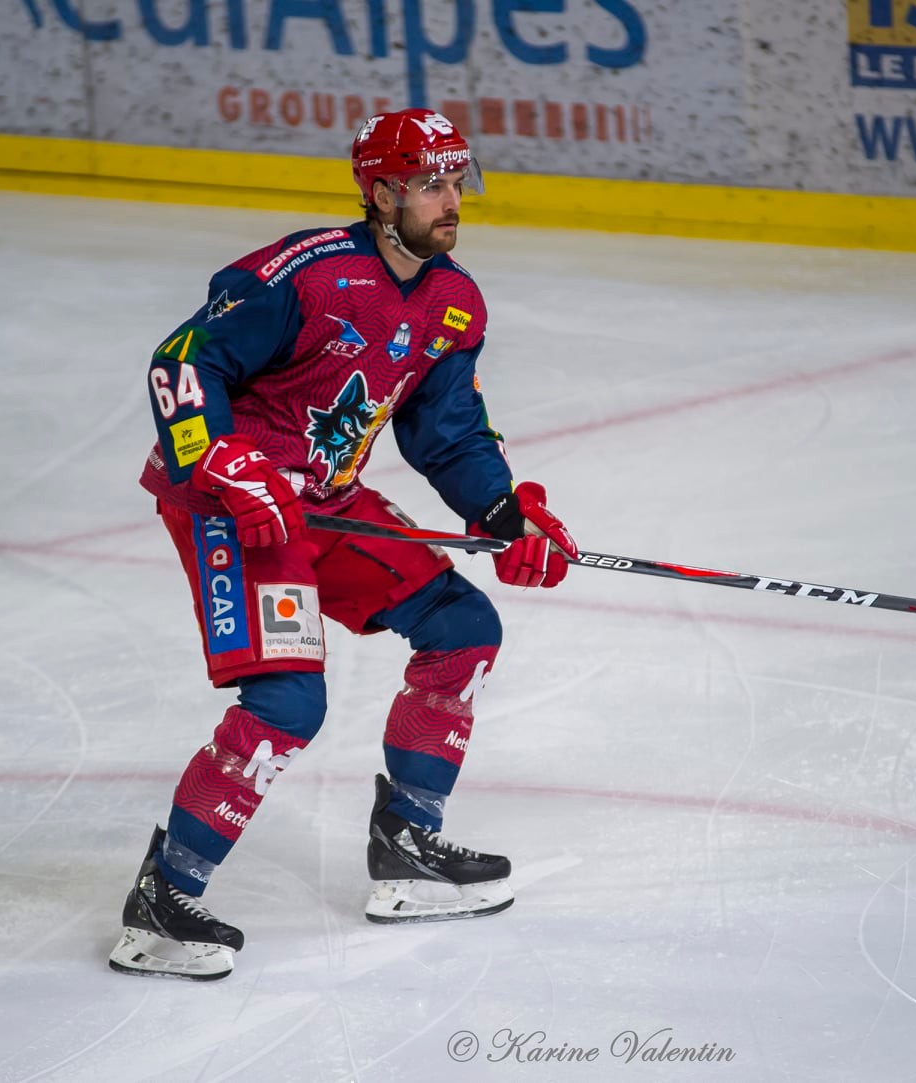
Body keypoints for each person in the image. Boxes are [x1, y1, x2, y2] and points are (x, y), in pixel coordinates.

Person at [108, 109, 579, 981]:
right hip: (233, 504)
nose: (451, 201)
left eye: (456, 181)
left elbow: (445, 434)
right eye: (432, 183)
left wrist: (507, 513)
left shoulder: (452, 300)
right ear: (381, 191)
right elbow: (180, 360)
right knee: (288, 704)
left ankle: (408, 845)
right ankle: (162, 899)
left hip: (322, 503)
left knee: (462, 627)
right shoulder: (304, 274)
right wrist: (221, 460)